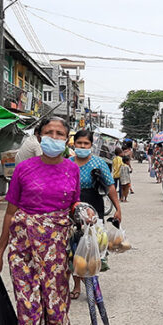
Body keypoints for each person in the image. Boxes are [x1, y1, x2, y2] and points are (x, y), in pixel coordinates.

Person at [0, 117, 87, 325]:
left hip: (57, 250)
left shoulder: (72, 168)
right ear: (39, 137)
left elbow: (73, 205)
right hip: (24, 248)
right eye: (49, 132)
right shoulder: (24, 168)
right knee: (28, 304)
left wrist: (86, 213)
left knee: (53, 303)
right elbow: (11, 212)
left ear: (66, 139)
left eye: (60, 133)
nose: (54, 137)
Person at [69, 129, 122, 300]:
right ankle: (76, 285)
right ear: (74, 144)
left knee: (92, 248)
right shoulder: (67, 163)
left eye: (86, 144)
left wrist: (118, 209)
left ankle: (92, 283)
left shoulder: (99, 163)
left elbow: (110, 186)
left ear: (91, 145)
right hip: (71, 210)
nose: (82, 146)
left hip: (94, 210)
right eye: (79, 143)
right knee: (73, 249)